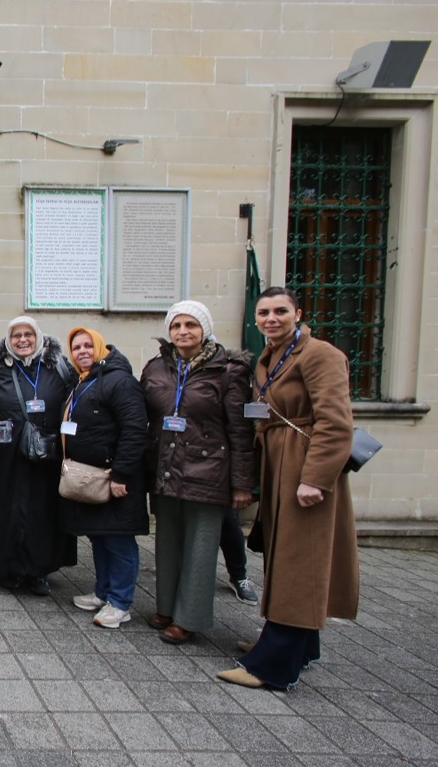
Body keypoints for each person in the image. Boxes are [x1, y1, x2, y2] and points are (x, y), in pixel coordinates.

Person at [219, 287, 358, 690]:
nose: (271, 318)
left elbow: (335, 422)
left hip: (304, 465)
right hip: (280, 464)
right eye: (264, 312)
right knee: (289, 556)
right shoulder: (269, 357)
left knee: (301, 560)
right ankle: (302, 647)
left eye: (281, 311)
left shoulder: (321, 355)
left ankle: (273, 666)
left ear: (298, 313)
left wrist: (315, 479)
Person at [140, 301, 255, 644]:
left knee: (201, 547)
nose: (183, 332)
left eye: (191, 325)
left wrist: (242, 484)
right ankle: (166, 607)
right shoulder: (157, 367)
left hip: (209, 469)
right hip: (166, 466)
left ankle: (188, 618)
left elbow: (240, 430)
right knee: (168, 542)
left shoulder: (228, 371)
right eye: (176, 326)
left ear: (204, 329)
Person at [61, 326, 149, 629]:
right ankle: (103, 592)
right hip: (93, 477)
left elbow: (135, 430)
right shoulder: (83, 381)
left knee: (119, 539)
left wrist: (121, 475)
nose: (82, 352)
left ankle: (120, 602)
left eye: (88, 346)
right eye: (76, 348)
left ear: (100, 348)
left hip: (114, 476)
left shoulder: (119, 381)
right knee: (99, 536)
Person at [0, 316, 77, 597]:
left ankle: (39, 571)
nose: (23, 340)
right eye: (16, 336)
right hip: (8, 453)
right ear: (9, 341)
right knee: (8, 510)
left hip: (45, 454)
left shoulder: (56, 365)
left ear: (38, 338)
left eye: (28, 335)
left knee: (42, 511)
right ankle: (9, 568)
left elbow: (76, 398)